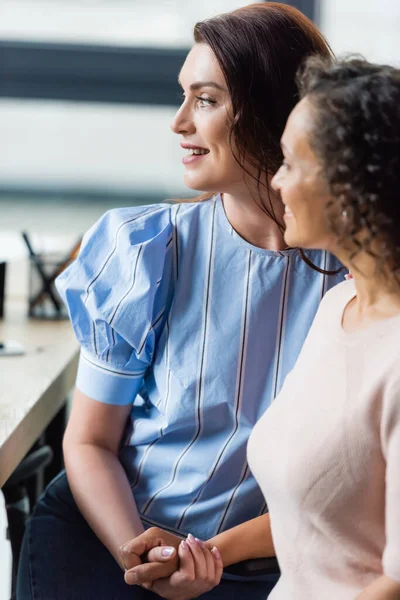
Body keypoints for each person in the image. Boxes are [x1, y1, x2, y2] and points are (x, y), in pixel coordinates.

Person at [17, 4, 344, 600]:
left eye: (206, 99)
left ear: (275, 111)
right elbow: (88, 442)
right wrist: (139, 554)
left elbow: (354, 491)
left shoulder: (360, 276)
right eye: (182, 95)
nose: (178, 123)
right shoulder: (148, 249)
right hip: (108, 539)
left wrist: (208, 558)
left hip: (275, 565)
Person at [252, 58, 400, 598]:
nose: (275, 180)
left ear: (352, 185)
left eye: (291, 163)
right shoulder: (339, 304)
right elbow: (325, 516)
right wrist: (210, 552)